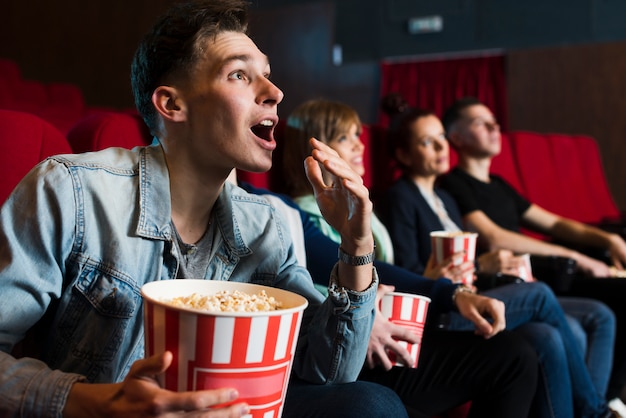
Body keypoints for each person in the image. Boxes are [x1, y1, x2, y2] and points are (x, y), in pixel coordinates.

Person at [0, 1, 415, 416]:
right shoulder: (70, 190)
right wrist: (100, 403)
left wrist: (356, 244)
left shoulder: (264, 224)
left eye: (267, 76)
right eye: (239, 74)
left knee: (370, 402)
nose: (275, 93)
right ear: (172, 105)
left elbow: (329, 370)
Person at [278, 98, 612, 417]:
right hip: (378, 328)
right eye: (344, 138)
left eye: (357, 136)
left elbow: (382, 269)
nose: (359, 145)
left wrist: (455, 287)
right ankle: (595, 412)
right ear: (314, 151)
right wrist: (442, 285)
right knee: (544, 301)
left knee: (546, 336)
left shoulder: (429, 200)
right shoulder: (310, 214)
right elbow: (313, 285)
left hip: (423, 303)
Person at [376, 97, 618, 417]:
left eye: (440, 139)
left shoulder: (444, 197)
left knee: (549, 333)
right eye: (427, 142)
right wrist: (476, 266)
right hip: (443, 307)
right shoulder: (401, 197)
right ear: (404, 154)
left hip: (473, 293)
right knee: (539, 294)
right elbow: (408, 273)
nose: (440, 148)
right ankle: (595, 412)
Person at [439, 95, 626, 410]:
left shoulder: (498, 183)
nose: (494, 127)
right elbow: (495, 237)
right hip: (516, 279)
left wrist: (607, 240)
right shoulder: (454, 183)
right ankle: (602, 406)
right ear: (456, 137)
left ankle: (603, 402)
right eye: (481, 123)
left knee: (607, 308)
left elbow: (553, 221)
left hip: (545, 272)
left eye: (494, 122)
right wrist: (580, 258)